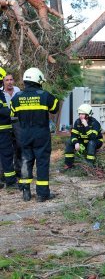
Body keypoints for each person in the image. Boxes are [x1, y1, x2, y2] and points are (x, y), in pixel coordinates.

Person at [10, 67, 59, 202]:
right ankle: (42, 194)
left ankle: (26, 191)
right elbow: (55, 108)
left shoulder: (17, 97)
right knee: (42, 162)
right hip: (41, 134)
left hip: (24, 134)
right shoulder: (44, 95)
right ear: (38, 80)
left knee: (26, 160)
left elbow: (13, 113)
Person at [64, 104, 103, 169]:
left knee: (91, 143)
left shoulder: (95, 123)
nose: (80, 116)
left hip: (96, 141)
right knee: (69, 142)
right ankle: (69, 164)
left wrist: (86, 126)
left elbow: (92, 137)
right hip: (84, 141)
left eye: (82, 114)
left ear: (88, 115)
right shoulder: (77, 122)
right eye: (79, 114)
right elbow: (73, 135)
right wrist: (76, 142)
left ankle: (89, 165)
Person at [0, 67, 18, 189]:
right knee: (7, 154)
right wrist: (14, 111)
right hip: (3, 130)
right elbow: (2, 111)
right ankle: (10, 181)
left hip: (8, 128)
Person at [2, 74, 22, 177]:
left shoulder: (18, 91)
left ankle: (18, 170)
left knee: (19, 146)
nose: (9, 82)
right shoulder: (0, 92)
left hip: (17, 122)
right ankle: (5, 172)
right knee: (5, 148)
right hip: (4, 123)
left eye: (11, 80)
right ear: (3, 81)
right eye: (7, 80)